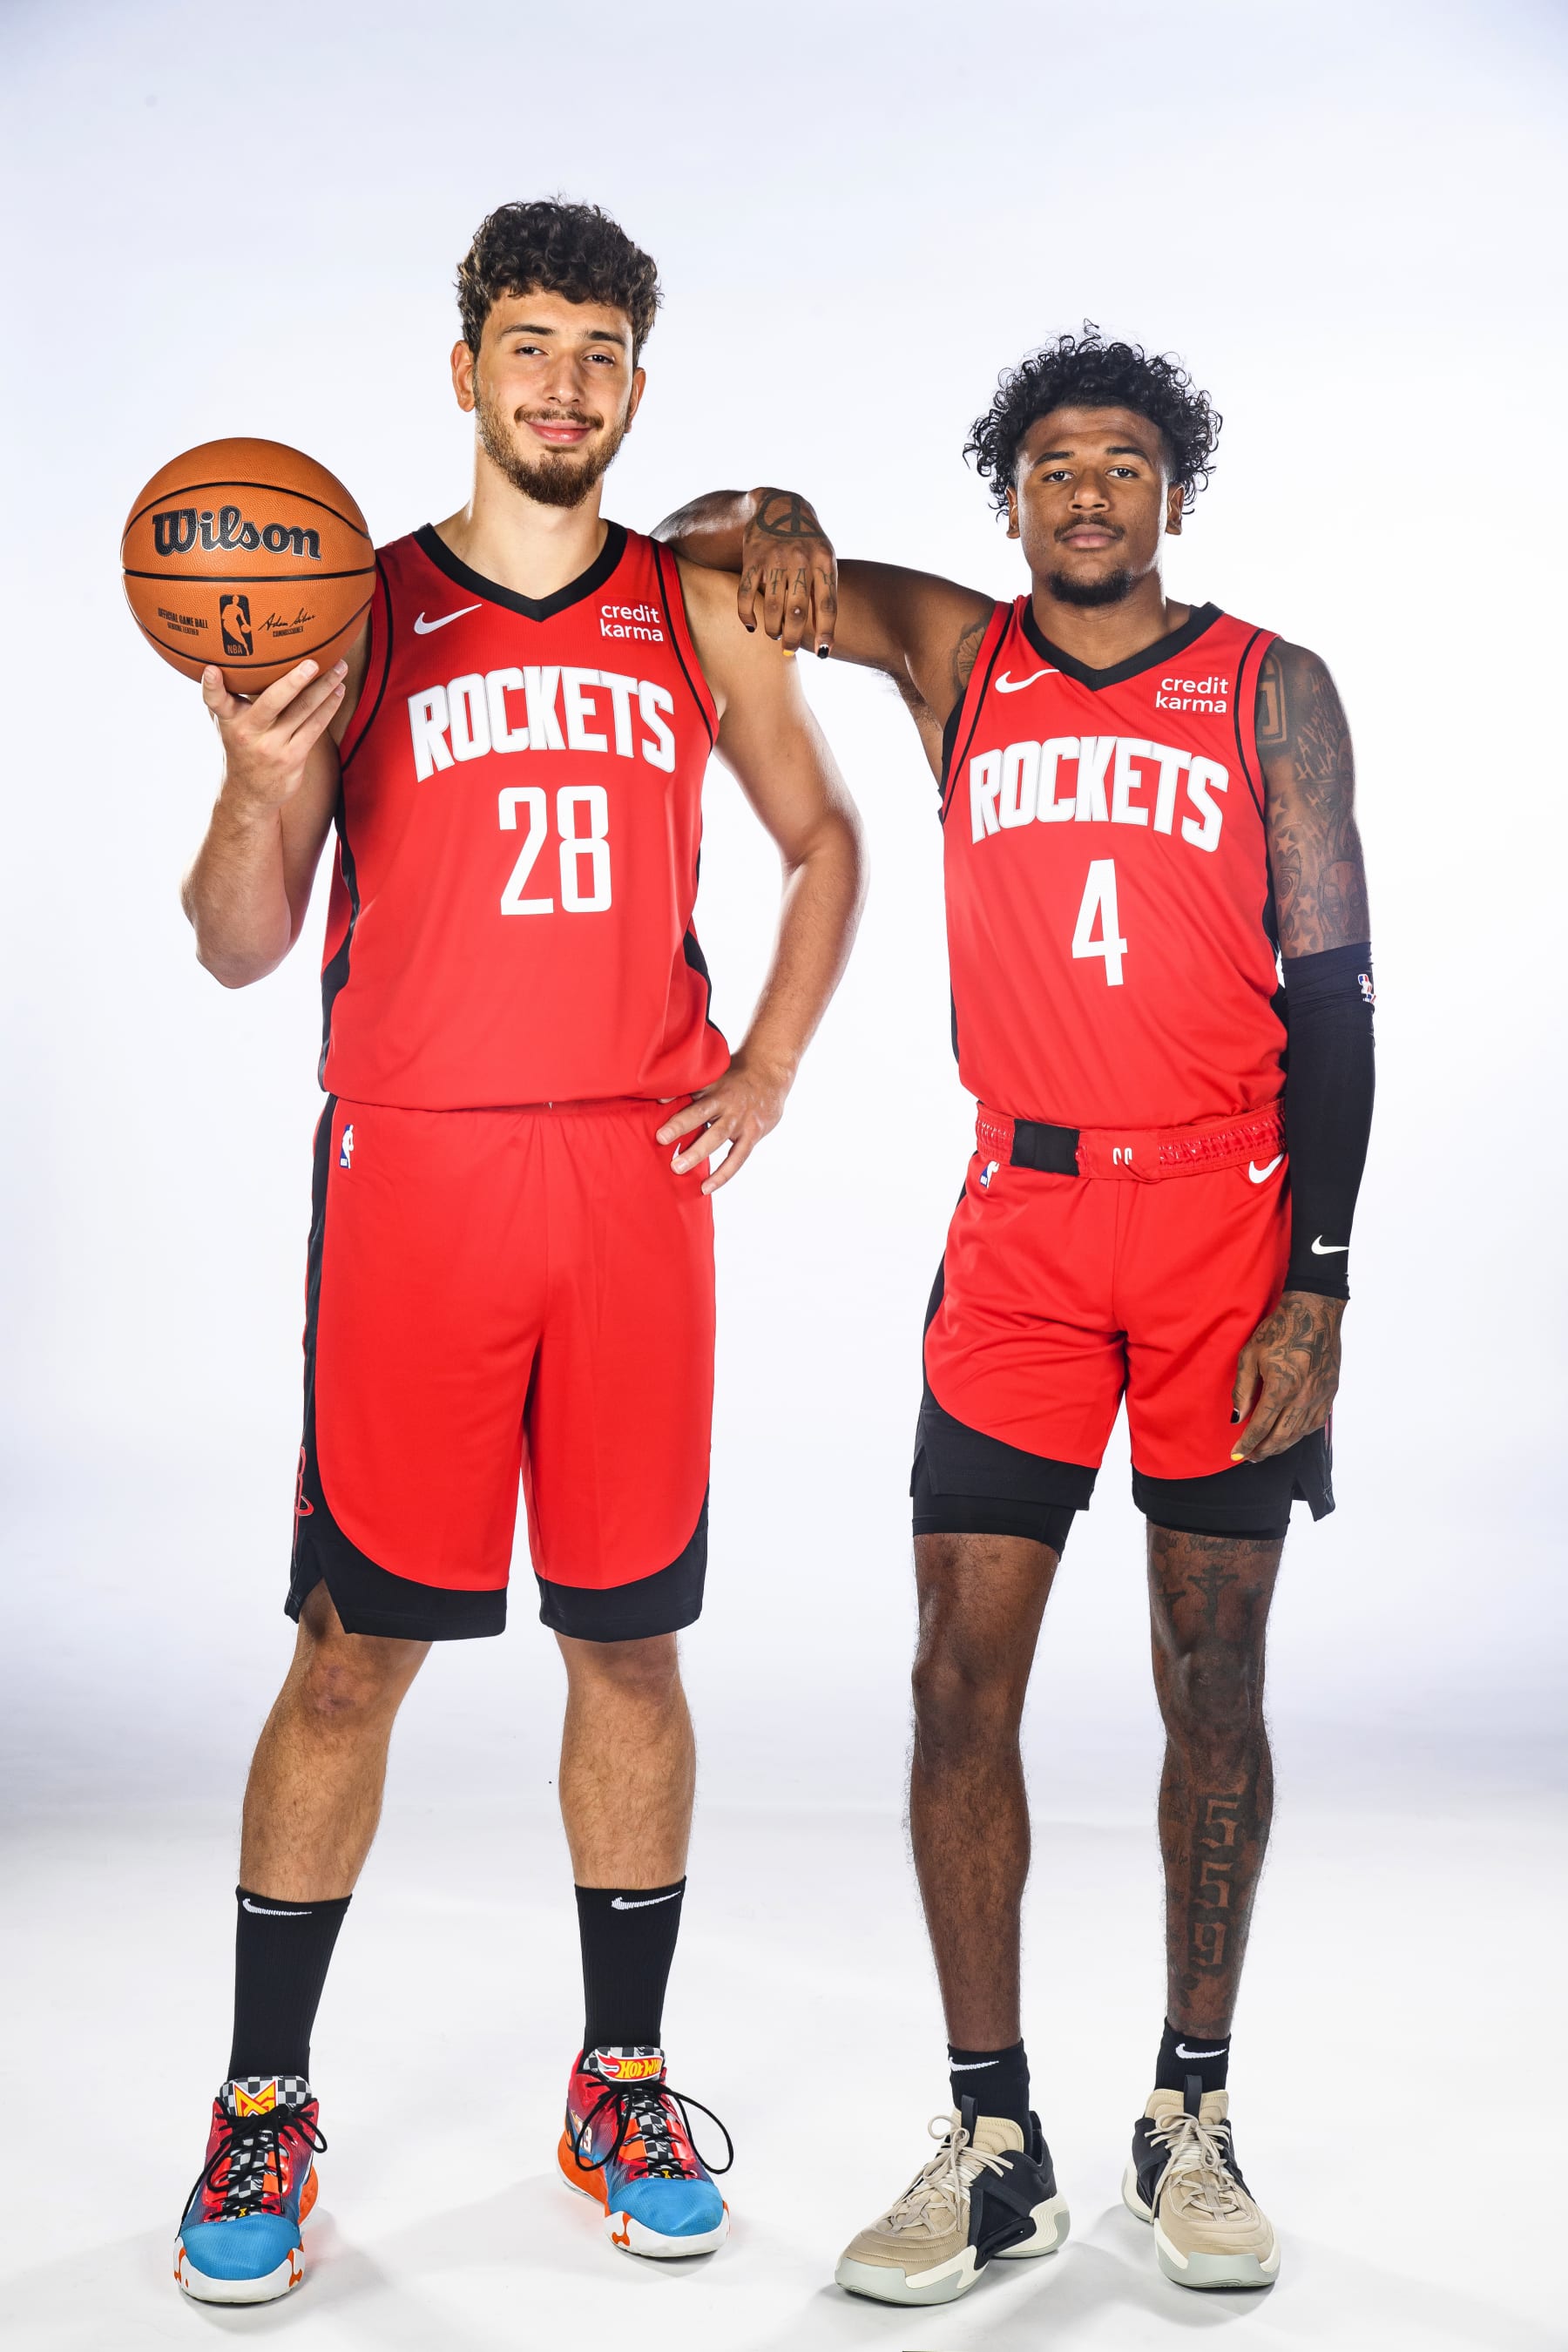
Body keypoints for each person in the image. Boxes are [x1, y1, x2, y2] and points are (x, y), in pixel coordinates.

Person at [170, 199, 863, 2305]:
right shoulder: (346, 606)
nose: (564, 387)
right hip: (421, 1181)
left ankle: (618, 2079)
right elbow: (234, 944)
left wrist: (767, 1060)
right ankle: (265, 2109)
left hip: (637, 1192)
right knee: (351, 1649)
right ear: (462, 367)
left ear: (638, 386)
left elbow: (824, 838)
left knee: (630, 1643)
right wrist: (251, 781)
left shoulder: (702, 602)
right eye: (529, 345)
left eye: (602, 353)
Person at [659, 323, 1373, 2303]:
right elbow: (706, 562)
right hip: (1029, 1229)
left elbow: (1335, 1000)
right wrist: (770, 510)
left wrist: (1321, 1274)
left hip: (1230, 1221)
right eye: (1056, 463)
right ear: (1011, 495)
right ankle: (994, 2137)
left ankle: (1192, 2111)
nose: (1088, 492)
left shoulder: (1268, 690)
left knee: (1210, 1686)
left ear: (1171, 497)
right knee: (957, 1687)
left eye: (1126, 464)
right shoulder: (966, 655)